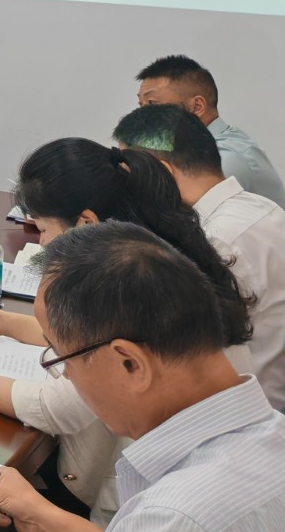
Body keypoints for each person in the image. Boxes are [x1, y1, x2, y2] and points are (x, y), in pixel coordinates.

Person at [0, 139, 254, 526]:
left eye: (65, 360)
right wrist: (6, 322)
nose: (60, 369)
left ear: (130, 362)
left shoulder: (179, 513)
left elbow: (59, 408)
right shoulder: (156, 263)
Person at [0, 223, 285, 532]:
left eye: (63, 357)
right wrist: (43, 517)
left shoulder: (174, 518)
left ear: (131, 364)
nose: (66, 374)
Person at [115, 103, 285, 409]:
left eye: (129, 176)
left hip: (245, 409)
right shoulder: (263, 207)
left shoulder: (213, 242)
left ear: (162, 173)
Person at [135, 54, 284, 208]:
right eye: (141, 105)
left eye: (153, 104)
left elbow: (180, 216)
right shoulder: (187, 151)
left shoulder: (228, 159)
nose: (141, 116)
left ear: (197, 107)